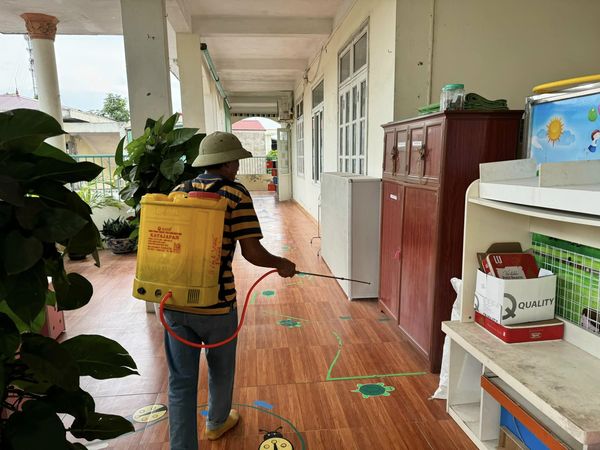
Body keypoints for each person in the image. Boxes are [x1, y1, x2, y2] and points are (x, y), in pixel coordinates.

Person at [163, 131, 296, 450]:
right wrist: (281, 263)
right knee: (221, 369)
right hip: (217, 304)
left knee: (180, 382)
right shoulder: (235, 194)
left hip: (175, 301)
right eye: (235, 161)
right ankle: (217, 422)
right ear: (226, 163)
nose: (237, 167)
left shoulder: (178, 191)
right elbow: (252, 252)